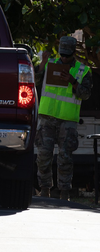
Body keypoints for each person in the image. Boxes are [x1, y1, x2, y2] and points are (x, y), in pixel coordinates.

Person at [34, 36, 93, 201]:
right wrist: (41, 65)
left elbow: (86, 94)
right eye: (62, 54)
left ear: (74, 53)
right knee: (43, 155)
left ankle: (64, 193)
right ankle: (45, 190)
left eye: (67, 55)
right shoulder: (50, 64)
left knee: (65, 157)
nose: (64, 58)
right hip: (47, 117)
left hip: (68, 120)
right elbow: (34, 80)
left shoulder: (83, 70)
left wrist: (72, 81)